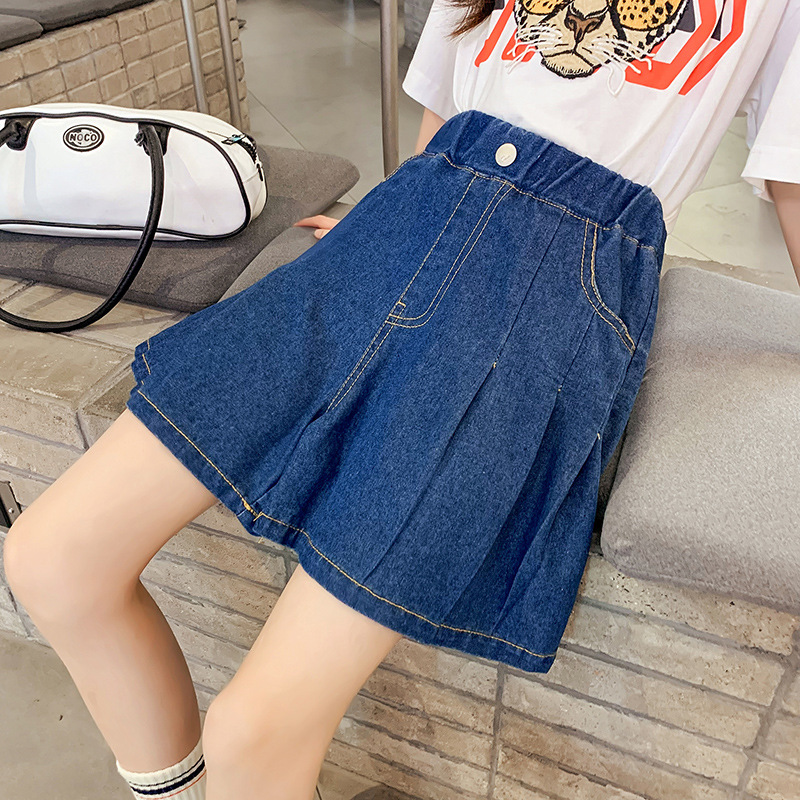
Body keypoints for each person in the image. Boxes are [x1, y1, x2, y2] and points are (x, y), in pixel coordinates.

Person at [2, 2, 798, 800]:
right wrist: (392, 218)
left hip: (555, 287)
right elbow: (447, 105)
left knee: (254, 734)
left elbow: (791, 174)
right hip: (408, 220)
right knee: (52, 560)